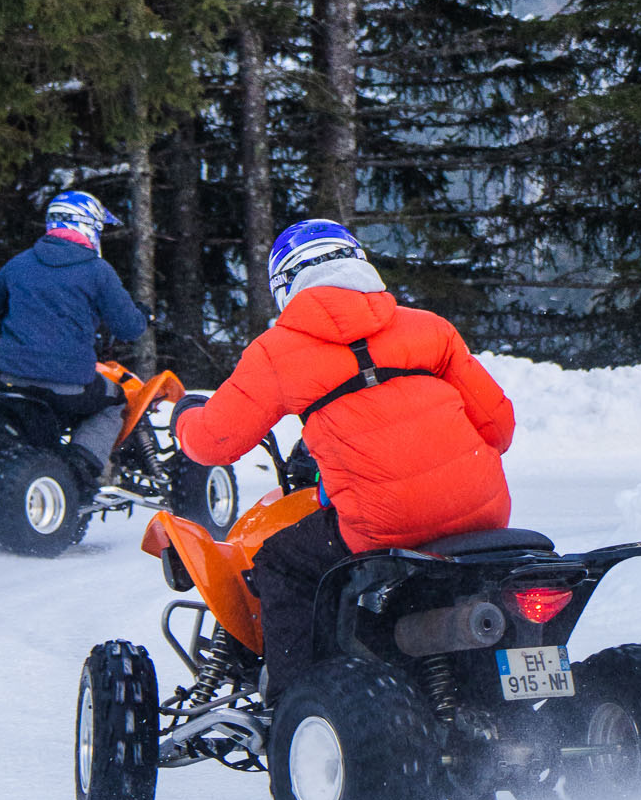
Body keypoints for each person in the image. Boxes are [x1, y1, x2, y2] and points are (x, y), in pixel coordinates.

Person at [173, 218, 515, 696]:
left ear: (284, 285)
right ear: (360, 264)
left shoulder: (278, 352)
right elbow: (499, 430)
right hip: (486, 517)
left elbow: (215, 443)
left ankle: (296, 708)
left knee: (279, 562)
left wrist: (186, 416)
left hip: (384, 526)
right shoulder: (430, 328)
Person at [0, 190, 149, 487]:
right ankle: (80, 467)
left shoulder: (19, 263)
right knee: (115, 400)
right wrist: (143, 316)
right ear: (87, 226)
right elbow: (129, 328)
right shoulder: (97, 270)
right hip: (69, 383)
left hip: (11, 376)